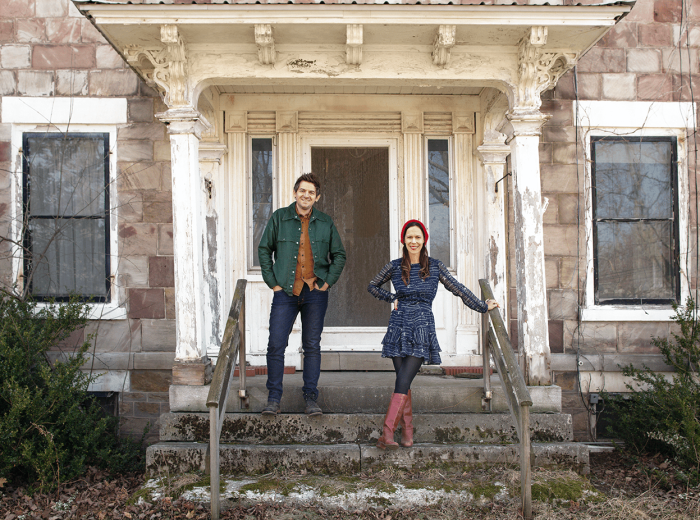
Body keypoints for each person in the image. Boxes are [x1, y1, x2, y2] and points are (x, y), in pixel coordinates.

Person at [367, 219, 499, 449]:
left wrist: (481, 305)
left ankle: (387, 435)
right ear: (403, 240)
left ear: (424, 240)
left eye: (418, 237)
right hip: (399, 326)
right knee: (403, 381)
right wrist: (391, 298)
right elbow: (372, 286)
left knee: (404, 379)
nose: (413, 241)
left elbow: (458, 288)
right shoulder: (395, 266)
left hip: (421, 327)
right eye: (409, 237)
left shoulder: (435, 267)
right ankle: (407, 435)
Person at [258, 173, 346, 416]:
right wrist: (273, 283)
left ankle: (310, 399)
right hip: (285, 291)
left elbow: (339, 255)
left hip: (315, 292)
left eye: (311, 192)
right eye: (302, 190)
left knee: (311, 345)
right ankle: (274, 399)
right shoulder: (279, 218)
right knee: (276, 344)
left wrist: (327, 282)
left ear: (317, 197)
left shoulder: (326, 222)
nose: (306, 195)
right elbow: (264, 250)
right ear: (295, 193)